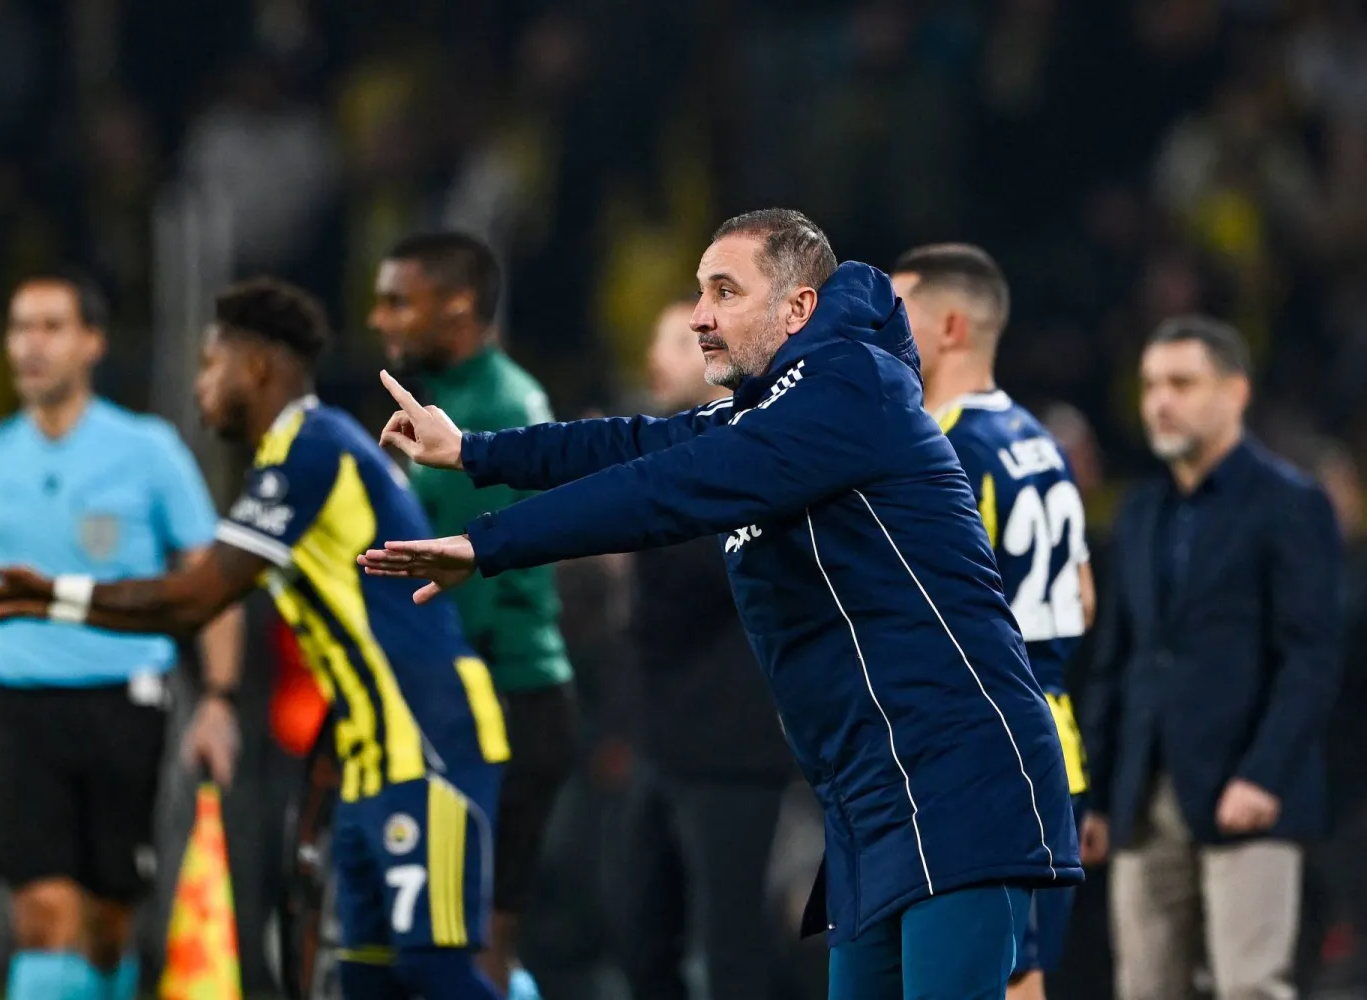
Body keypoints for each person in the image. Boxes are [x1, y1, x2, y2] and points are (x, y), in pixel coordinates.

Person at [363, 208, 1082, 999]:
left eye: (724, 292)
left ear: (796, 310)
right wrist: (473, 450)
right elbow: (634, 444)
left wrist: (489, 543)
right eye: (699, 291)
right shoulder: (769, 408)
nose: (700, 315)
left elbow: (666, 490)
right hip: (868, 794)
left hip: (955, 773)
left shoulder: (850, 385)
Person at [0, 277, 512, 1000]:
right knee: (365, 979)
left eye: (212, 365)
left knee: (432, 969)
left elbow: (196, 597)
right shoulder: (285, 462)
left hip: (429, 742)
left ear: (259, 367)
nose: (201, 384)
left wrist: (55, 595)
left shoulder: (315, 447)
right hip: (369, 756)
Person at [0, 270, 244, 1000]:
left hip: (125, 705)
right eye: (19, 327)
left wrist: (219, 698)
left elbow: (216, 584)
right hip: (16, 708)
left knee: (108, 926)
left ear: (93, 343)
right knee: (44, 915)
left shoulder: (147, 451)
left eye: (50, 327)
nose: (30, 345)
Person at [1080, 316, 1343, 1000]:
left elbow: (1311, 656)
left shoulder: (1291, 503)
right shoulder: (1139, 513)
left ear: (1235, 392)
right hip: (1144, 794)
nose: (1160, 401)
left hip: (1246, 788)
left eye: (1181, 383)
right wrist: (1101, 792)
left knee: (1249, 987)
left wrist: (1264, 775)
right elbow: (1118, 659)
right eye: (1150, 386)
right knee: (1144, 986)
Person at [369, 232, 575, 1000]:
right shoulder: (448, 402)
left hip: (502, 698)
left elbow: (465, 590)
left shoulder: (502, 408)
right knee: (439, 933)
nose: (378, 315)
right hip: (465, 698)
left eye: (398, 299)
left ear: (456, 304)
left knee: (473, 939)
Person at [892, 244, 1096, 1000]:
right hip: (1055, 737)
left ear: (948, 328)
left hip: (982, 747)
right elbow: (1084, 595)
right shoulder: (1041, 442)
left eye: (899, 311)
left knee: (1000, 977)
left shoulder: (940, 446)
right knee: (1024, 968)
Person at [612, 300, 798, 1000]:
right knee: (640, 938)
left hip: (736, 746)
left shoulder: (758, 453)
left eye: (680, 343)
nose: (658, 360)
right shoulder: (665, 455)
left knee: (733, 950)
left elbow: (712, 577)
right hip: (663, 741)